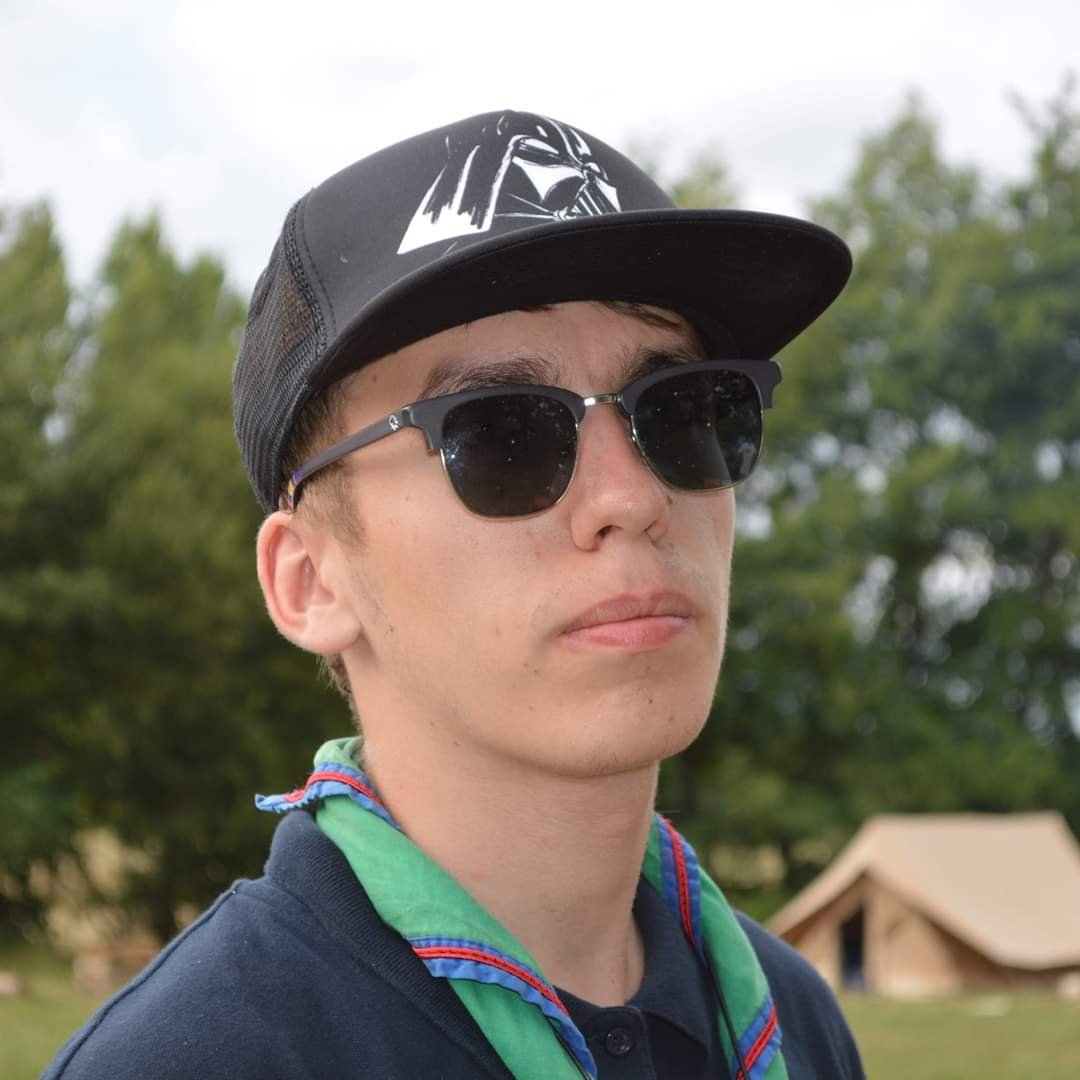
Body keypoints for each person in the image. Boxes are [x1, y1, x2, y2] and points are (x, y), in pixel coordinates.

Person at [44, 109, 864, 1079]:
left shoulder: (791, 1021)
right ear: (310, 581)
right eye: (502, 435)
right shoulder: (193, 1062)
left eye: (684, 412)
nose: (633, 498)